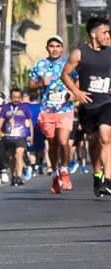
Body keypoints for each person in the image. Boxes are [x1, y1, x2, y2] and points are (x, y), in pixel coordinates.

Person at [61, 17, 111, 197]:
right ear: (93, 34)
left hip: (108, 102)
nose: (107, 35)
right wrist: (76, 91)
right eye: (104, 32)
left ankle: (107, 179)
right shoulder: (79, 53)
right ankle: (97, 174)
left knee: (106, 137)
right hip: (89, 105)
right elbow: (64, 75)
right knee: (94, 142)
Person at [27, 35, 75, 194]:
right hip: (47, 111)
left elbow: (78, 82)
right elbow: (30, 86)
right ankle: (55, 174)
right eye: (51, 46)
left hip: (65, 109)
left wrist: (72, 94)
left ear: (62, 48)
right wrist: (41, 83)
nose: (54, 49)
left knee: (63, 141)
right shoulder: (40, 65)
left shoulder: (68, 64)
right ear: (47, 48)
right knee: (53, 143)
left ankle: (65, 170)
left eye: (57, 46)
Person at [0, 87, 33, 185]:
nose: (16, 99)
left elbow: (29, 121)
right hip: (9, 136)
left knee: (18, 154)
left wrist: (31, 135)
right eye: (13, 97)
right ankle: (13, 176)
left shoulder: (24, 108)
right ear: (10, 97)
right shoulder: (5, 108)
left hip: (21, 135)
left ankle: (19, 177)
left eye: (18, 97)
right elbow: (0, 120)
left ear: (20, 97)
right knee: (12, 157)